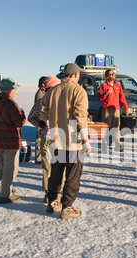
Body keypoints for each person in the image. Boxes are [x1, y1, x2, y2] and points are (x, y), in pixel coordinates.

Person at [41, 63, 91, 220]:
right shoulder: (78, 91)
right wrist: (86, 140)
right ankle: (67, 207)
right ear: (76, 75)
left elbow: (43, 114)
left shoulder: (53, 90)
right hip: (74, 141)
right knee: (73, 175)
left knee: (56, 171)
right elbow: (80, 117)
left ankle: (53, 201)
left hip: (57, 138)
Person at [0, 78, 26, 204]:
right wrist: (23, 116)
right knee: (10, 170)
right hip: (10, 142)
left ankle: (2, 190)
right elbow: (19, 122)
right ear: (9, 90)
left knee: (1, 168)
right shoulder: (10, 104)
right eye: (14, 88)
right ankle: (5, 195)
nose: (15, 91)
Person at [28, 75, 64, 205]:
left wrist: (41, 125)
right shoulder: (62, 102)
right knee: (60, 167)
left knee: (47, 168)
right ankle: (58, 194)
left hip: (45, 138)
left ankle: (49, 193)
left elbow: (31, 118)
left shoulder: (40, 101)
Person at [98, 69, 129, 152]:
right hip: (106, 109)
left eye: (113, 74)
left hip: (116, 109)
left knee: (116, 127)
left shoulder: (118, 85)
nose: (113, 75)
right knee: (105, 127)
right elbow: (99, 98)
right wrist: (106, 93)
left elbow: (122, 97)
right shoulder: (104, 86)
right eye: (111, 74)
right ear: (107, 76)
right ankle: (104, 144)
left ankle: (117, 144)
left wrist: (126, 107)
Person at [34, 76, 47, 164]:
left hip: (42, 119)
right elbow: (39, 108)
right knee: (39, 139)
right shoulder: (40, 94)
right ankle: (38, 158)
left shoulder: (43, 93)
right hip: (40, 119)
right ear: (42, 84)